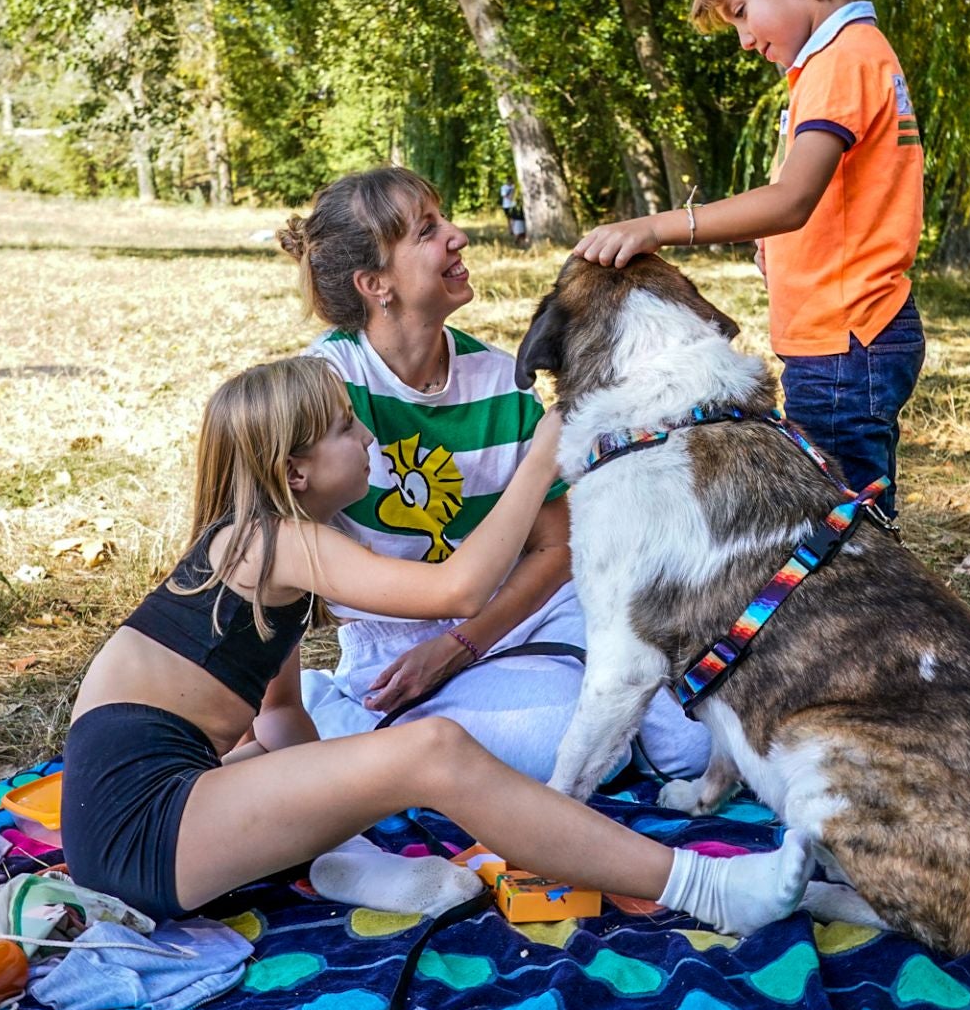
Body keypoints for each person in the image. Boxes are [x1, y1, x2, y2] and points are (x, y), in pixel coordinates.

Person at [60, 356, 809, 931]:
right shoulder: (273, 542)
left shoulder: (263, 555)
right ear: (296, 469)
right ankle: (705, 888)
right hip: (145, 827)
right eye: (348, 429)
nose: (365, 438)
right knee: (433, 751)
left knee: (356, 758)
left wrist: (327, 796)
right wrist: (544, 453)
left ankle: (339, 862)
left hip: (163, 809)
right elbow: (456, 592)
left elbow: (281, 714)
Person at [278, 168, 708, 782]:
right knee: (574, 745)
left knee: (694, 748)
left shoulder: (503, 380)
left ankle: (437, 733)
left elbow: (556, 548)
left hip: (523, 612)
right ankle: (341, 717)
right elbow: (273, 556)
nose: (458, 237)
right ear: (376, 284)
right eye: (428, 231)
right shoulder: (321, 391)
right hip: (397, 642)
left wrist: (465, 645)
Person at [573, 0, 926, 515]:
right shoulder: (845, 59)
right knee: (837, 501)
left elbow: (792, 199)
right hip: (843, 334)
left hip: (847, 339)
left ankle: (873, 610)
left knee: (845, 516)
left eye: (741, 10)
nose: (743, 39)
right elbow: (832, 204)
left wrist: (661, 226)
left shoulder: (841, 63)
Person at [498, 181, 528, 246]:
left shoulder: (516, 205)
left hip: (520, 220)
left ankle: (519, 241)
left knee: (521, 233)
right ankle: (518, 241)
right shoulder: (514, 206)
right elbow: (512, 219)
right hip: (518, 219)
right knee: (519, 233)